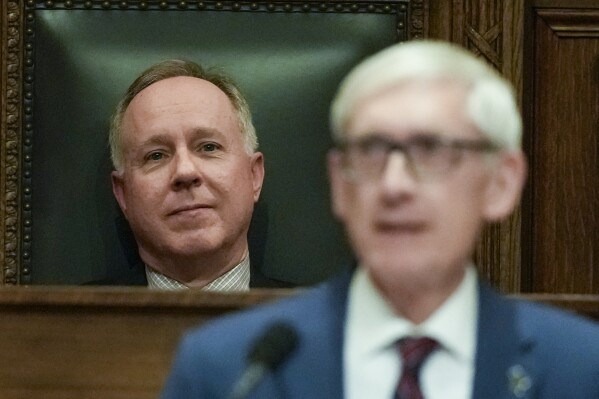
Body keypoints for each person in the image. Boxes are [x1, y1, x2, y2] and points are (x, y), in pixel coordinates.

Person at [161, 41, 599, 398]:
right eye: (370, 151)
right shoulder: (227, 369)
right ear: (339, 184)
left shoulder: (581, 368)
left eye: (430, 151)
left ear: (500, 183)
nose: (394, 185)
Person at [108, 59, 268, 290]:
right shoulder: (61, 323)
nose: (185, 171)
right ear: (123, 195)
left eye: (208, 147)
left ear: (254, 176)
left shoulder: (327, 322)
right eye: (156, 156)